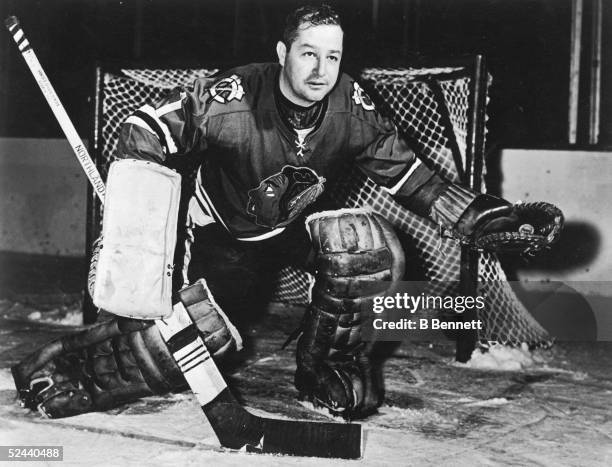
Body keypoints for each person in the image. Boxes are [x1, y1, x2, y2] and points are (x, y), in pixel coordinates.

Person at [11, 4, 557, 421]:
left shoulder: (352, 106)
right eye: (308, 54)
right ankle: (79, 367)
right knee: (197, 343)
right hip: (215, 235)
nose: (321, 70)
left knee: (361, 248)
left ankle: (329, 368)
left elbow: (415, 180)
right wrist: (144, 220)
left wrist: (480, 218)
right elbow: (145, 128)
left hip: (285, 228)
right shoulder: (234, 97)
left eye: (333, 56)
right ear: (282, 53)